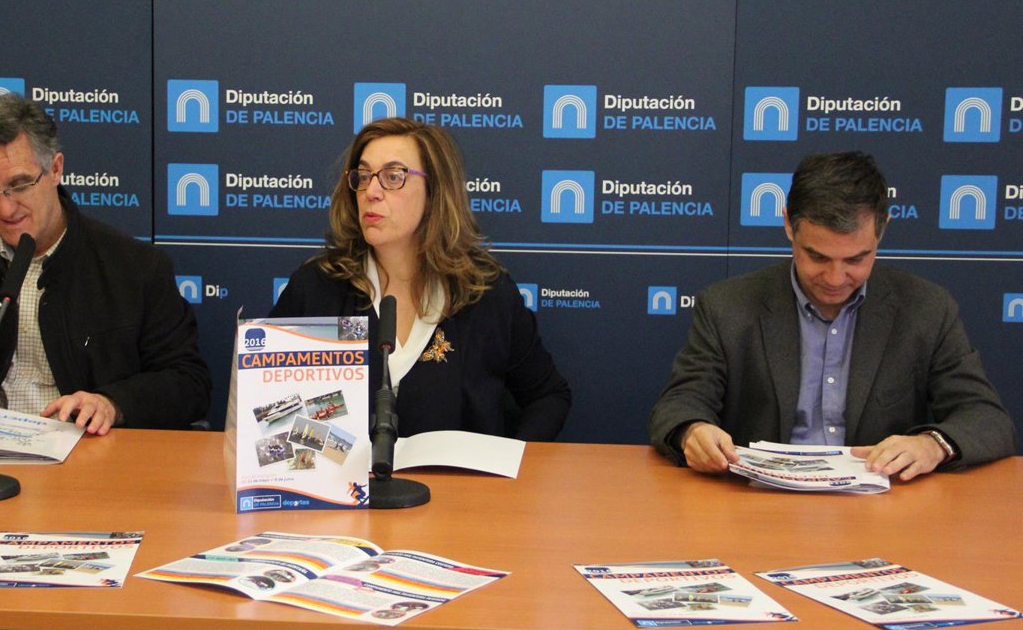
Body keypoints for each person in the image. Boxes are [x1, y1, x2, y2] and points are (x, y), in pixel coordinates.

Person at [649, 151, 1015, 479]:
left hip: (883, 509)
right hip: (758, 501)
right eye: (818, 257)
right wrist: (692, 431)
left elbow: (987, 418)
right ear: (788, 224)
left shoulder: (927, 308)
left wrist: (933, 445)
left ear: (882, 229)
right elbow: (680, 403)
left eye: (856, 259)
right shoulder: (727, 306)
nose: (836, 278)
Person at [0, 94, 210, 433]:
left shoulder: (135, 266)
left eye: (19, 185)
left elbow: (189, 383)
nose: (5, 209)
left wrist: (112, 403)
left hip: (85, 450)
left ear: (55, 169)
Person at [270, 117, 570, 439]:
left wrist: (508, 462)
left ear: (434, 191)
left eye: (393, 177)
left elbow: (549, 397)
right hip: (347, 473)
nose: (371, 191)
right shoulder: (317, 287)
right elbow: (271, 410)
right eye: (364, 176)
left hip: (456, 474)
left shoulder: (484, 292)